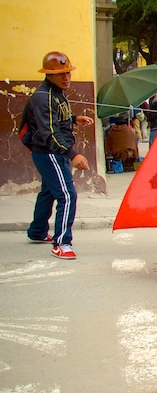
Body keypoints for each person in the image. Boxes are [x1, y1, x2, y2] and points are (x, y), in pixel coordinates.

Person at [24, 51, 96, 260]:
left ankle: (37, 231)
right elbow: (49, 133)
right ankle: (62, 243)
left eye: (68, 73)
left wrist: (74, 119)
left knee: (48, 191)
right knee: (67, 195)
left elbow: (55, 120)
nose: (66, 78)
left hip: (51, 150)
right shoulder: (43, 97)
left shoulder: (56, 93)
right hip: (49, 152)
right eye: (61, 74)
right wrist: (72, 154)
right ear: (49, 75)